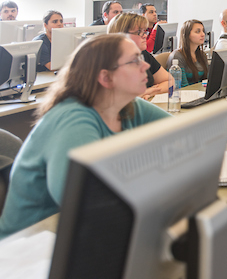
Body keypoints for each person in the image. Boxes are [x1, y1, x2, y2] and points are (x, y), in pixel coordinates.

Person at [0, 34, 171, 239]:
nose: (145, 67)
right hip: (31, 245)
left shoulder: (127, 106)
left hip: (79, 233)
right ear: (106, 77)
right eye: (134, 61)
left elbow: (183, 133)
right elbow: (83, 201)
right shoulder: (73, 119)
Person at [108, 12, 172, 99]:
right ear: (121, 34)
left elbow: (170, 81)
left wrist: (149, 93)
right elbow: (117, 98)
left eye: (144, 31)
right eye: (139, 32)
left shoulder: (143, 54)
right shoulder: (110, 61)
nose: (145, 35)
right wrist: (146, 91)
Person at [167, 19, 209, 87]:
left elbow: (207, 80)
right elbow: (183, 86)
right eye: (198, 32)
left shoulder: (202, 55)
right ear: (187, 35)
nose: (203, 34)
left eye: (203, 31)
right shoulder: (177, 56)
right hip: (186, 94)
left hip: (200, 93)